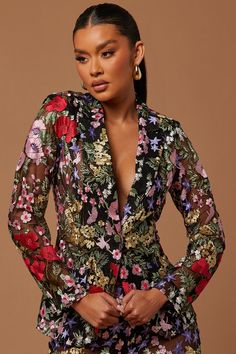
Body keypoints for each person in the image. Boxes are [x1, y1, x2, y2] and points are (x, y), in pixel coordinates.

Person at [8, 3, 225, 354]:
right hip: (82, 329)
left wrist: (161, 294)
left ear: (136, 52)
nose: (93, 69)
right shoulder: (60, 117)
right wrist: (77, 297)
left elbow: (210, 236)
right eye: (82, 58)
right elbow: (23, 219)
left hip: (161, 330)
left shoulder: (167, 136)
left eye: (106, 53)